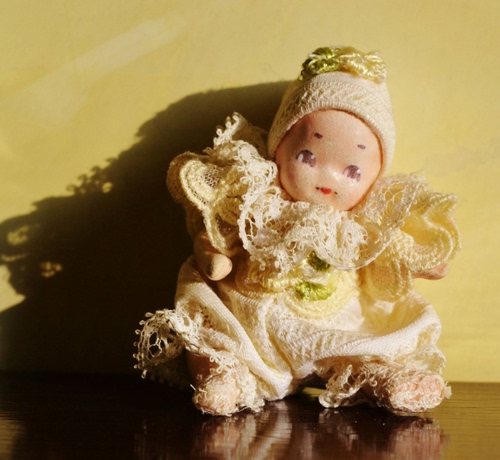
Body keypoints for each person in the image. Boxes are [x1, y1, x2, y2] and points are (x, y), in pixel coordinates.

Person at [135, 46, 460, 416]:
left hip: (335, 331)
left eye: (352, 171)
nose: (328, 179)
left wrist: (419, 259)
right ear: (279, 147)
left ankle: (381, 379)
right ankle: (226, 376)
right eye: (308, 157)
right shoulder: (256, 198)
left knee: (361, 353)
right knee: (216, 335)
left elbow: (390, 248)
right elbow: (218, 232)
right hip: (256, 325)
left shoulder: (365, 222)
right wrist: (213, 255)